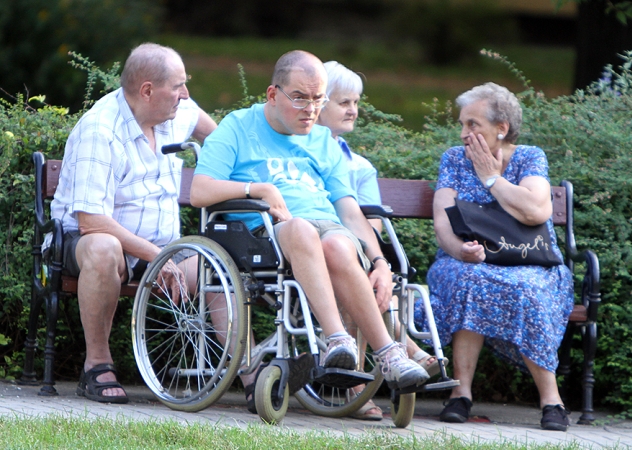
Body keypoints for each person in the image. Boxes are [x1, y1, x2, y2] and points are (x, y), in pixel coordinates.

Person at [190, 50, 430, 408]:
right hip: (264, 234)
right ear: (273, 94)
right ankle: (337, 338)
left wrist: (380, 261)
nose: (310, 110)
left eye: (318, 99)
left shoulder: (322, 141)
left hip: (327, 230)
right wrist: (258, 189)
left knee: (337, 244)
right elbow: (200, 191)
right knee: (301, 228)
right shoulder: (239, 127)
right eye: (299, 98)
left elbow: (349, 211)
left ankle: (390, 355)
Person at [50, 43, 218, 404]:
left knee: (220, 261)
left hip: (160, 252)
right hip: (87, 245)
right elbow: (92, 221)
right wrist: (159, 257)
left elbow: (215, 137)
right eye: (178, 86)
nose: (185, 95)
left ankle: (249, 372)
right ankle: (96, 365)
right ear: (147, 91)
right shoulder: (100, 130)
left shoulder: (175, 113)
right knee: (103, 247)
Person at [419, 82, 575, 431]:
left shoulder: (529, 157)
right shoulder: (454, 159)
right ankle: (460, 394)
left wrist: (491, 178)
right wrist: (460, 250)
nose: (463, 133)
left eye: (472, 124)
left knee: (526, 289)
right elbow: (443, 221)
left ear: (501, 128)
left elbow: (536, 211)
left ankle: (552, 400)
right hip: (467, 259)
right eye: (461, 124)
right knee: (468, 279)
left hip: (529, 261)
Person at [316, 60, 445, 421]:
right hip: (317, 245)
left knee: (361, 264)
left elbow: (371, 223)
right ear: (318, 103)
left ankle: (367, 377)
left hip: (357, 247)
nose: (353, 110)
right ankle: (402, 350)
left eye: (356, 102)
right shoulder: (298, 154)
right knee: (345, 260)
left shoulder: (360, 166)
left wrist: (377, 261)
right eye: (343, 102)